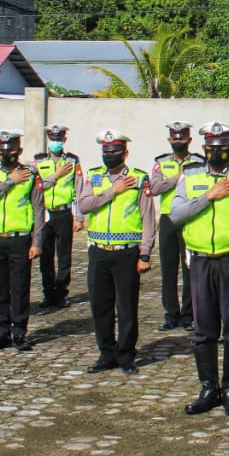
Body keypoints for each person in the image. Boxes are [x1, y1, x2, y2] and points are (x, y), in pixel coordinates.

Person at [171, 121, 229, 417]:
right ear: (203, 149)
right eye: (211, 148)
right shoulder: (189, 176)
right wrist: (208, 197)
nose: (217, 152)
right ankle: (208, 387)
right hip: (200, 261)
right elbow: (176, 215)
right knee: (203, 330)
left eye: (222, 147)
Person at [75, 130, 156, 375]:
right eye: (106, 152)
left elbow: (148, 218)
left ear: (125, 153)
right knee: (100, 305)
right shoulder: (94, 177)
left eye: (115, 152)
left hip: (126, 253)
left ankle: (126, 354)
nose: (110, 156)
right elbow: (84, 205)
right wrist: (113, 190)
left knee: (126, 307)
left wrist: (145, 253)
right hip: (98, 250)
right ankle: (106, 352)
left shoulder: (139, 179)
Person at [0, 131, 45, 352]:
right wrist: (8, 182)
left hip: (20, 238)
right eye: (3, 151)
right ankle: (1, 332)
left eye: (12, 151)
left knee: (19, 288)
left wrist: (37, 241)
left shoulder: (31, 174)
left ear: (20, 151)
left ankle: (19, 332)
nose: (7, 154)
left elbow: (38, 209)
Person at [151, 121, 201, 331]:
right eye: (174, 138)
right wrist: (177, 178)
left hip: (190, 218)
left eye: (181, 138)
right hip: (168, 218)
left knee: (190, 267)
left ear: (189, 139)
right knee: (168, 268)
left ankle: (189, 315)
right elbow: (155, 187)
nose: (178, 141)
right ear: (169, 139)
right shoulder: (161, 162)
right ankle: (171, 314)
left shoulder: (199, 161)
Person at [34, 124, 80, 310]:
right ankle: (48, 292)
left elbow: (79, 187)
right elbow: (38, 186)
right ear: (47, 140)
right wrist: (56, 175)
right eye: (53, 139)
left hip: (63, 212)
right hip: (45, 213)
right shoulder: (38, 161)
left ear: (64, 140)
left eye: (59, 140)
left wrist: (79, 216)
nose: (55, 143)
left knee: (64, 255)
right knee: (45, 255)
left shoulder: (73, 161)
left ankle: (61, 293)